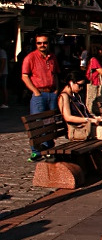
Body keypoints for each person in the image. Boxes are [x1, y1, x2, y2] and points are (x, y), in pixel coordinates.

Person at [22, 31, 59, 161]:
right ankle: (36, 151)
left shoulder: (52, 57)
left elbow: (55, 74)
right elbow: (25, 76)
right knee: (37, 123)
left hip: (51, 93)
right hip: (39, 94)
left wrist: (56, 90)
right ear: (36, 44)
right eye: (39, 43)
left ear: (48, 43)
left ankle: (48, 148)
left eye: (44, 42)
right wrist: (35, 91)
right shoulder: (30, 57)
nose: (42, 45)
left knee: (50, 122)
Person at [0, 40, 8, 109]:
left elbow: (3, 61)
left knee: (3, 88)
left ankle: (5, 102)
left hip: (3, 73)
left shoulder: (2, 52)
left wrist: (1, 72)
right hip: (3, 72)